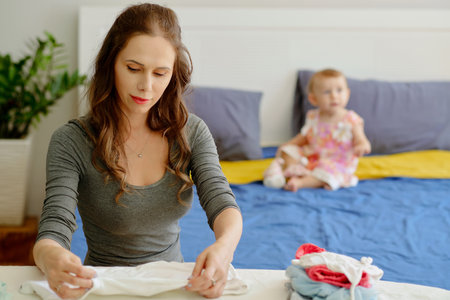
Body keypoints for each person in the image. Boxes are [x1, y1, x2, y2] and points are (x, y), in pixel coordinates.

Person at [33, 3, 242, 299]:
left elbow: (223, 203)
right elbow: (54, 225)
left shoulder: (192, 132)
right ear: (111, 64)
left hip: (172, 286)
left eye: (160, 73)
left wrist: (224, 248)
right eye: (133, 69)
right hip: (102, 285)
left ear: (173, 75)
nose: (146, 86)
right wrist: (50, 257)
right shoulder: (72, 140)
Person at [263, 68, 371, 192]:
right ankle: (291, 170)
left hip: (337, 163)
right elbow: (303, 137)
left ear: (347, 94)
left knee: (328, 172)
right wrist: (287, 145)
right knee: (288, 151)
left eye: (339, 90)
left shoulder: (351, 119)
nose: (334, 96)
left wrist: (362, 145)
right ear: (313, 99)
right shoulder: (313, 117)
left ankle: (300, 182)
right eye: (327, 92)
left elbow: (361, 139)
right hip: (312, 158)